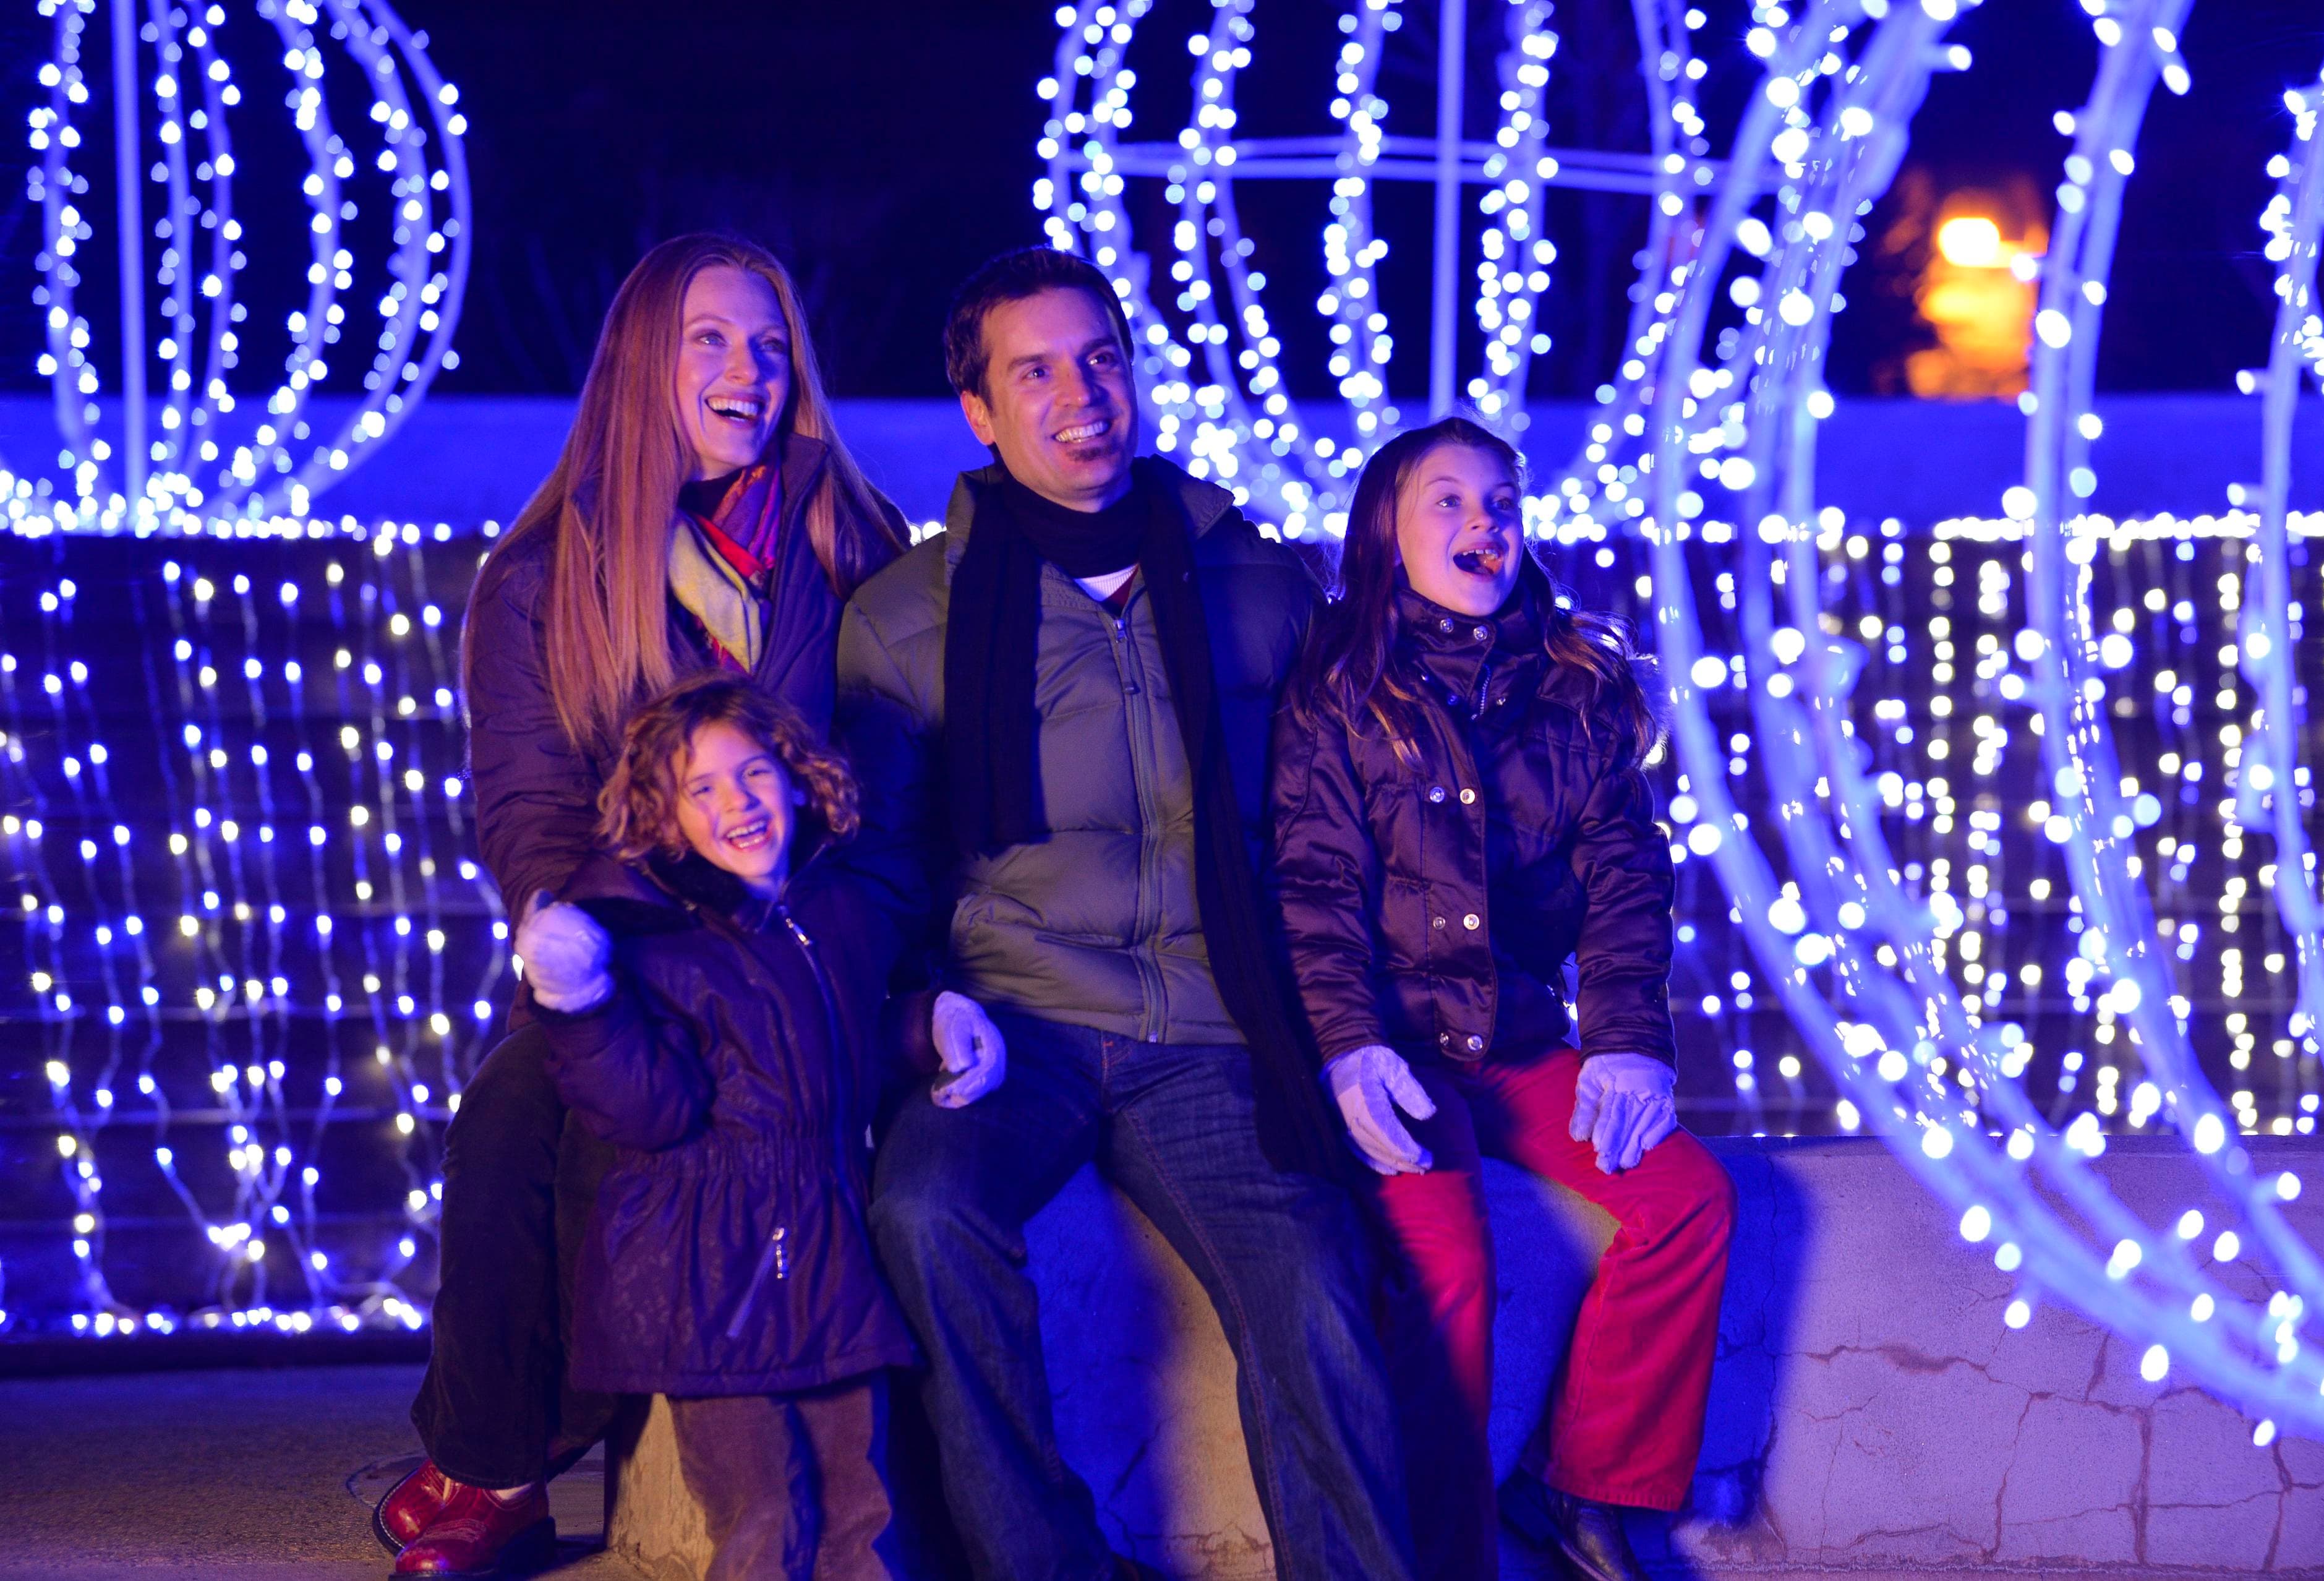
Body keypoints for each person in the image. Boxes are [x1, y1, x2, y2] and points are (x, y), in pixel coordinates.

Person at [834, 246, 1417, 1581]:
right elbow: (881, 870)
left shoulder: (1255, 582)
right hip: (1016, 1021)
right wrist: (923, 1010)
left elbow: (1342, 825)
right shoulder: (906, 617)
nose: (1082, 395)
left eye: (1101, 359)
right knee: (924, 1217)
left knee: (1320, 1284)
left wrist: (1355, 1020)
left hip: (1218, 1025)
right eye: (1034, 372)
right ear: (980, 414)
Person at [384, 233, 907, 1579]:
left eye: (771, 345)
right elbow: (529, 809)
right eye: (712, 342)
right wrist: (588, 946)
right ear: (640, 367)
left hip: (815, 943)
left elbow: (902, 768)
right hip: (643, 947)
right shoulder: (541, 575)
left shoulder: (848, 535)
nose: (749, 372)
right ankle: (493, 1466)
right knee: (511, 1122)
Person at [1270, 418, 1736, 1581]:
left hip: (1518, 1045)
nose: (1484, 521)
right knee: (1450, 1277)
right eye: (1448, 501)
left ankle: (1583, 1488)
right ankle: (1446, 1554)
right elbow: (1316, 884)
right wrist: (1344, 1045)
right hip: (1397, 1056)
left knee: (1688, 1199)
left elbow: (1627, 878)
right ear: (1388, 528)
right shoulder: (1336, 690)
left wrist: (1630, 1042)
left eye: (1501, 500)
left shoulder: (1575, 690)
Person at [512, 674, 914, 1581]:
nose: (736, 802)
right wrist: (581, 1000)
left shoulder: (837, 909)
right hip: (711, 1266)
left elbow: (853, 1040)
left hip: (826, 1241)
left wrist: (931, 1027)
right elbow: (645, 1107)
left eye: (755, 773)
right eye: (702, 788)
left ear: (801, 776)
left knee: (865, 1503)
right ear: (666, 814)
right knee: (759, 1509)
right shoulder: (654, 941)